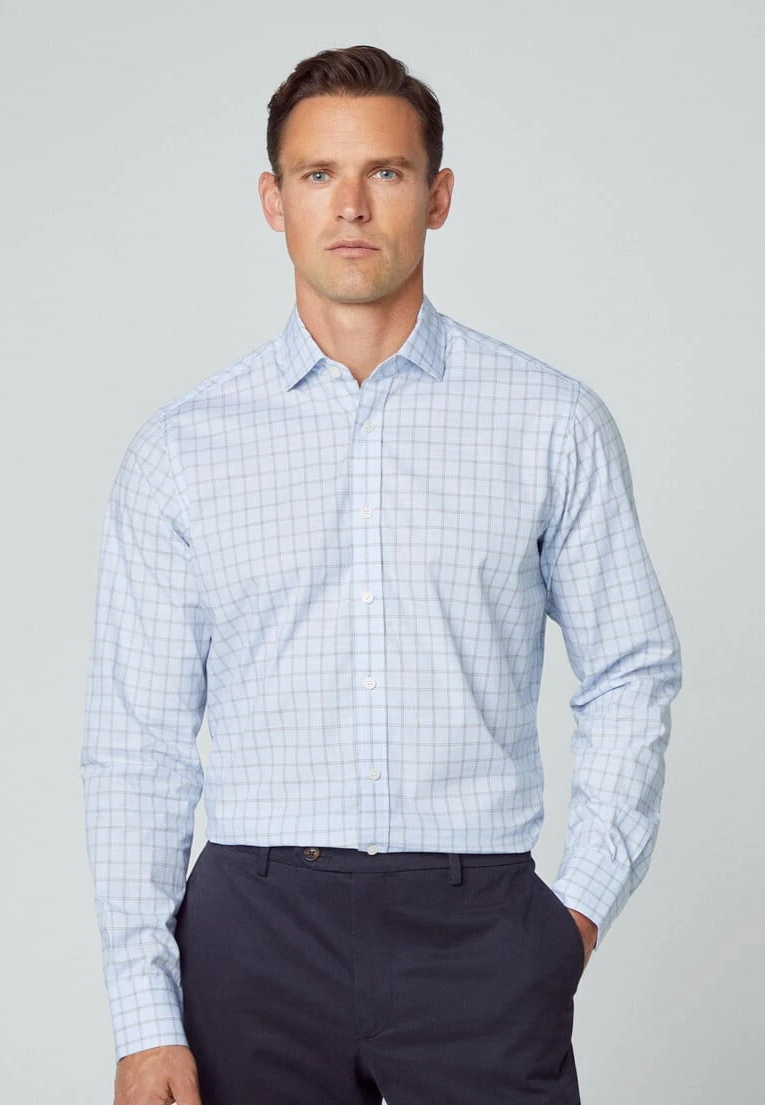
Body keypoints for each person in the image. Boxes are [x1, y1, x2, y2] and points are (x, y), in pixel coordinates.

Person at [80, 44, 682, 1105]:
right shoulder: (182, 452)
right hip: (253, 939)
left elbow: (631, 670)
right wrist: (143, 1017)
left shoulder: (550, 424)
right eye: (318, 174)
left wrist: (573, 913)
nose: (350, 206)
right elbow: (136, 745)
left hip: (481, 931)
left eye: (386, 172)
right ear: (273, 200)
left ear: (437, 196)